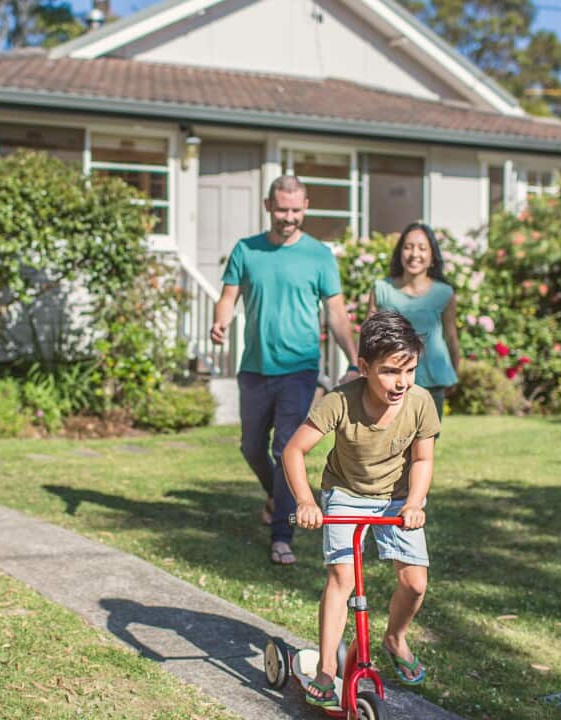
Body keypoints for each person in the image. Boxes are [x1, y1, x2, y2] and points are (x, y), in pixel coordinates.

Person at [283, 310, 439, 707]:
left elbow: (422, 460)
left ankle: (395, 637)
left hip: (398, 497)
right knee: (342, 579)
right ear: (364, 366)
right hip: (346, 491)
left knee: (415, 583)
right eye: (389, 372)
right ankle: (327, 669)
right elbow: (294, 451)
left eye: (410, 371)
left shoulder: (420, 402)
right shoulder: (340, 401)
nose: (401, 383)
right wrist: (305, 501)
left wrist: (416, 503)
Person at [211, 175, 357, 566]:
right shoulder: (246, 250)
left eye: (295, 210)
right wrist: (220, 321)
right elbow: (228, 297)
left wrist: (355, 360)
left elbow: (338, 315)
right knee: (251, 446)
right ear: (267, 206)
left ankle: (282, 535)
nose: (288, 217)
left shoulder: (319, 256)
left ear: (305, 205)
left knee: (285, 448)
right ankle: (278, 495)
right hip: (255, 367)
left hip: (299, 368)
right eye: (281, 209)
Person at [368, 222, 460, 419]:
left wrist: (454, 372)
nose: (414, 254)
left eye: (422, 248)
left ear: (432, 256)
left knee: (426, 443)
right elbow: (369, 336)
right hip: (391, 380)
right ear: (400, 253)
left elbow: (451, 336)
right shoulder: (382, 290)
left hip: (433, 381)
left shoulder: (444, 293)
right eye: (408, 247)